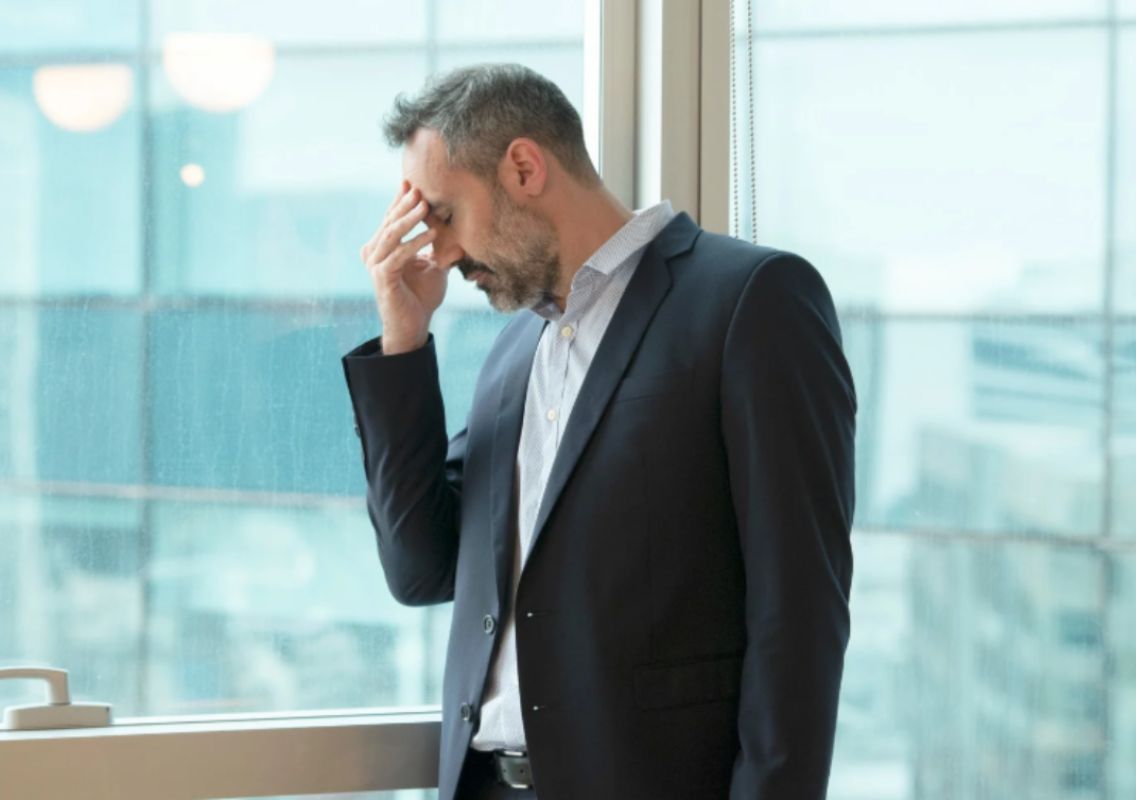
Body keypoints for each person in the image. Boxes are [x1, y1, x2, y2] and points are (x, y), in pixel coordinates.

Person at [342, 63, 856, 800]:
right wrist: (403, 339)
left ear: (523, 167)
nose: (443, 255)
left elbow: (799, 615)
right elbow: (420, 568)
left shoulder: (751, 300)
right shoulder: (514, 352)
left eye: (445, 215)